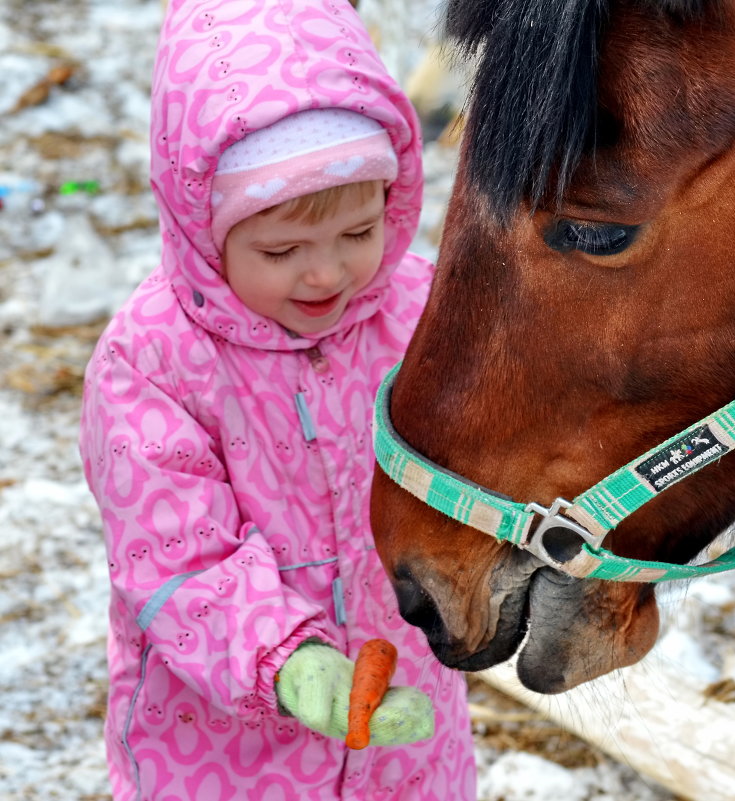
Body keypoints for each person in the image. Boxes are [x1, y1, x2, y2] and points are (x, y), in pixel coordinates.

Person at [78, 1, 476, 799]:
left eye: (359, 234)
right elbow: (176, 557)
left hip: (404, 727)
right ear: (204, 224)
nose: (326, 274)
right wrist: (287, 662)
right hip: (224, 751)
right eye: (282, 250)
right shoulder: (154, 359)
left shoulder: (419, 312)